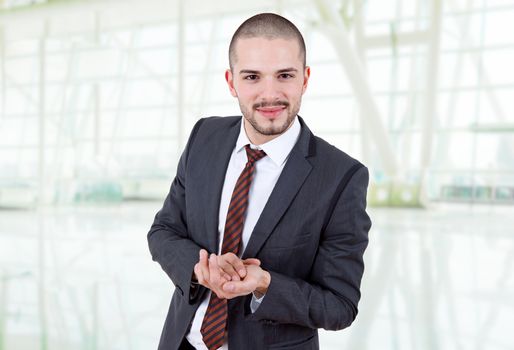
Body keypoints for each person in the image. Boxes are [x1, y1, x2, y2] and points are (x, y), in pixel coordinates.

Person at [148, 12, 371, 350]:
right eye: (252, 76)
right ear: (231, 81)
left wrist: (265, 284)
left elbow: (340, 305)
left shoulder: (341, 177)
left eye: (284, 75)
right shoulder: (203, 137)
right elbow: (163, 232)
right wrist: (200, 268)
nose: (270, 94)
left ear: (305, 79)